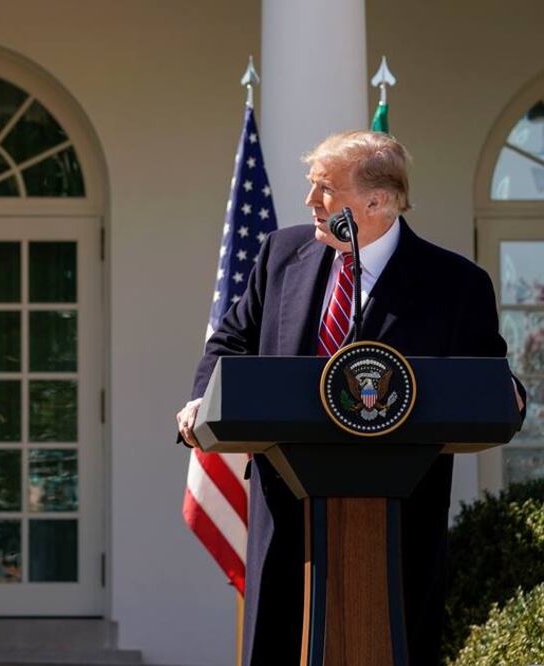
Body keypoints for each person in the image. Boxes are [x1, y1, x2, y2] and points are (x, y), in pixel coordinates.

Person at [176, 131, 526, 665]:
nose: (311, 202)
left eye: (325, 189)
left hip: (399, 522)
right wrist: (202, 398)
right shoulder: (281, 253)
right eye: (312, 187)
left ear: (378, 201)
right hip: (284, 506)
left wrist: (511, 395)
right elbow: (231, 340)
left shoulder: (455, 283)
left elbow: (486, 375)